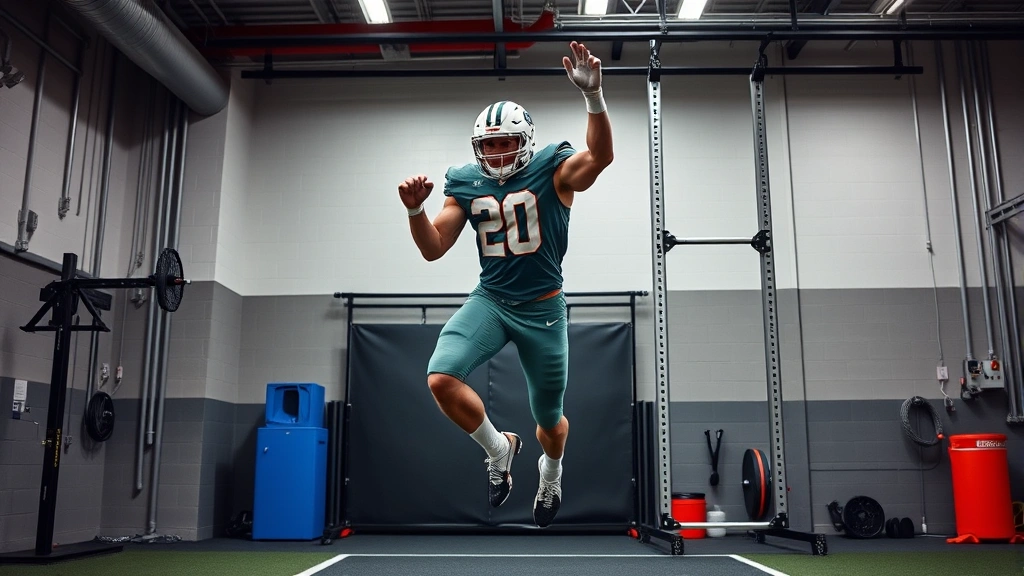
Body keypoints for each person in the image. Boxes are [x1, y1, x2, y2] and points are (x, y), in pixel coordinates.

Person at [397, 41, 613, 528]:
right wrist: (415, 210)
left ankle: (550, 472)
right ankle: (498, 450)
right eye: (488, 145)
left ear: (526, 141)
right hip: (491, 301)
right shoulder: (466, 182)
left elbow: (599, 157)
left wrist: (594, 97)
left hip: (543, 308)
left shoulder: (552, 169)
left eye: (505, 143)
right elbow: (433, 248)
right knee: (441, 377)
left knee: (549, 424)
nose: (496, 153)